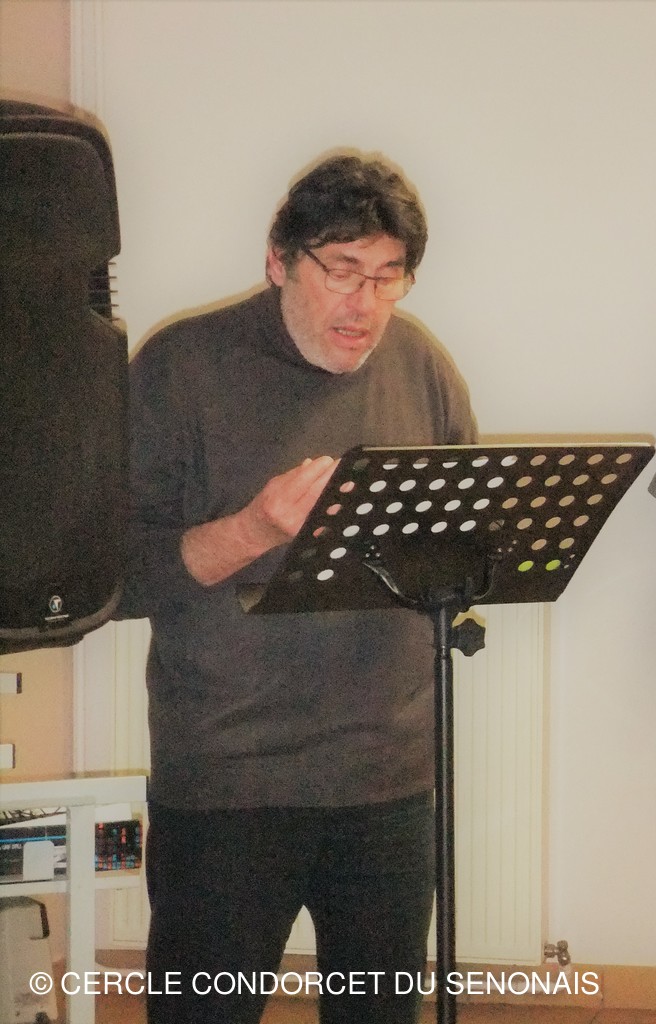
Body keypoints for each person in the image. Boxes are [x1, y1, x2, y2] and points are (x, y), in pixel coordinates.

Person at [119, 150, 477, 1024]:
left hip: (388, 776)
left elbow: (469, 546)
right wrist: (254, 529)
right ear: (279, 261)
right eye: (343, 271)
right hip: (231, 780)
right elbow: (118, 575)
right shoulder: (182, 366)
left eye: (388, 276)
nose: (366, 304)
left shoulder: (421, 365)